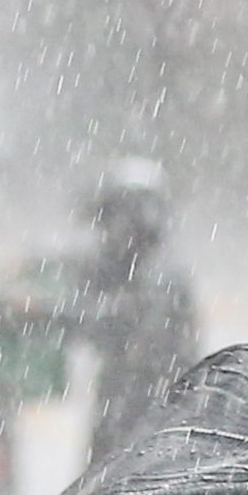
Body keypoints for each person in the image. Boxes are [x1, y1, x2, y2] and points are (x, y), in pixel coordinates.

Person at [68, 158, 200, 449]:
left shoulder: (163, 276)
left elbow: (155, 331)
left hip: (152, 399)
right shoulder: (109, 266)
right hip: (124, 397)